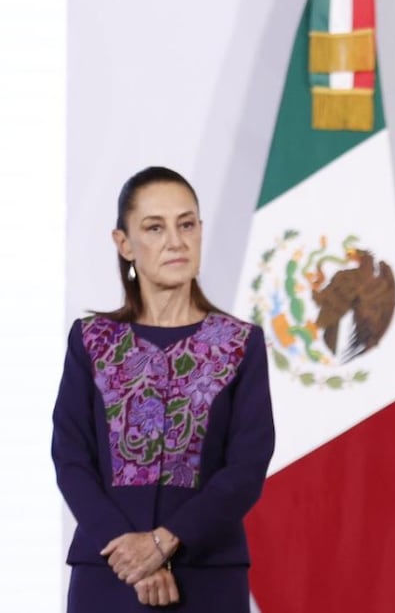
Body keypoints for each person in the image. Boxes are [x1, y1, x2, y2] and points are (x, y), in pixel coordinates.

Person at [52, 167, 275, 610]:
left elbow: (246, 467)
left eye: (186, 224)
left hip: (207, 574)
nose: (176, 241)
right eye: (155, 227)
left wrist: (164, 542)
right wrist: (131, 552)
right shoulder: (91, 341)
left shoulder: (239, 344)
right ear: (124, 243)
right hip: (109, 573)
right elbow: (71, 457)